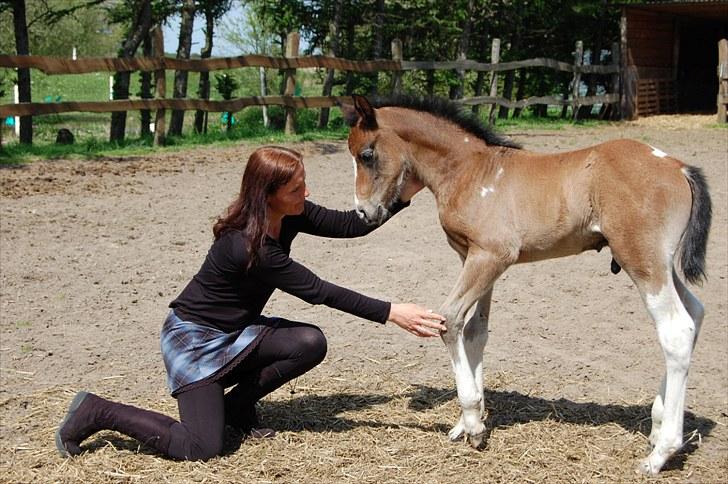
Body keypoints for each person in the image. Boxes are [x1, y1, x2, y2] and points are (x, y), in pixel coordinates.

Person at [56, 146, 446, 461]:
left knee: (309, 343)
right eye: (296, 189)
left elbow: (350, 224)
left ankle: (237, 408)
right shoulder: (248, 245)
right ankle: (97, 411)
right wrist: (393, 312)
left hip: (237, 331)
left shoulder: (288, 213)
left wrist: (404, 193)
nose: (306, 194)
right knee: (201, 447)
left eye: (303, 185)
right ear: (268, 194)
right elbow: (318, 291)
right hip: (194, 341)